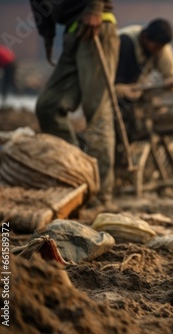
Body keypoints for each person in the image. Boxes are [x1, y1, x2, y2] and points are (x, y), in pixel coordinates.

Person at [30, 0, 119, 209]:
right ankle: (76, 174)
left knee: (96, 112)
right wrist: (48, 35)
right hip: (73, 32)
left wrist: (95, 6)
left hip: (96, 25)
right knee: (48, 106)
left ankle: (100, 194)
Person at [114, 18, 173, 129]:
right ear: (145, 38)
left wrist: (171, 81)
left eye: (161, 47)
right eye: (156, 47)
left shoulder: (161, 46)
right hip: (113, 92)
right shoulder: (124, 42)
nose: (158, 51)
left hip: (136, 94)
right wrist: (124, 90)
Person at [0, 40, 17, 107]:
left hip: (8, 65)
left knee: (5, 82)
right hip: (12, 64)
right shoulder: (1, 48)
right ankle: (18, 96)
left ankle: (5, 99)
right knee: (11, 81)